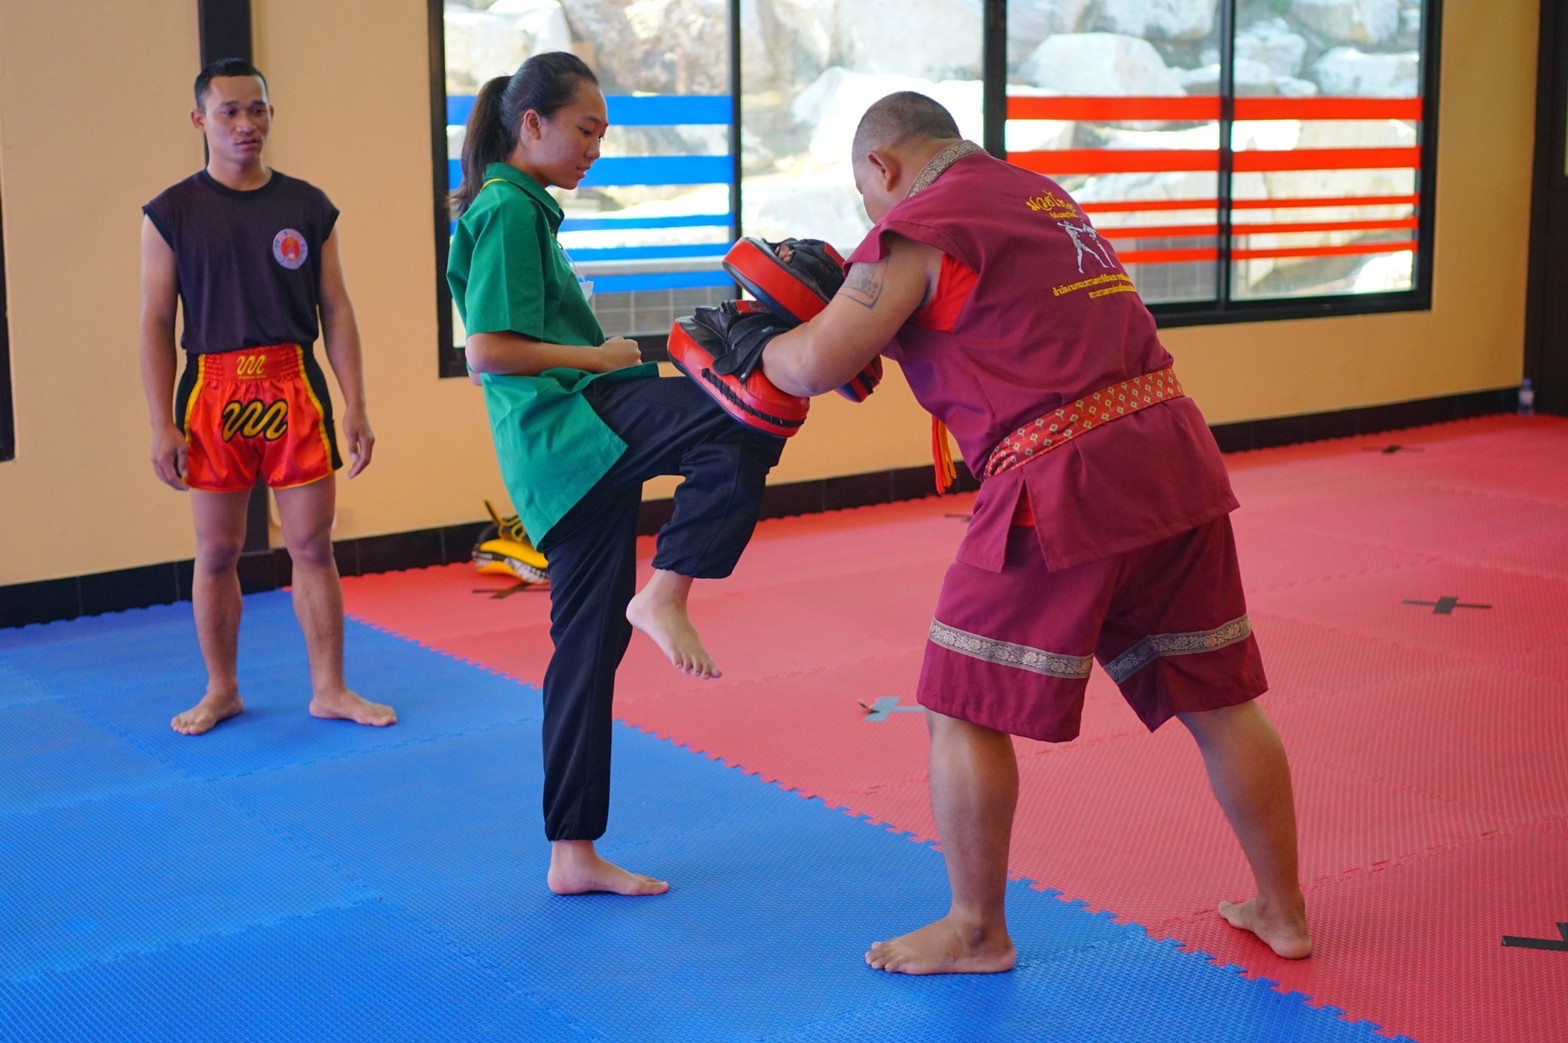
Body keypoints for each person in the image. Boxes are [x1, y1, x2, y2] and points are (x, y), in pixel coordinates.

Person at [753, 92, 1312, 973]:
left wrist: (755, 350)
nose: (870, 212)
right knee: (1219, 699)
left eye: (866, 194)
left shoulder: (918, 225)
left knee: (959, 706)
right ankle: (1283, 912)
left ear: (883, 168)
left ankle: (977, 932)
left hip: (1062, 479)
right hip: (1174, 456)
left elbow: (815, 363)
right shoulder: (1039, 195)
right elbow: (1005, 325)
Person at [446, 52, 785, 896]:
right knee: (739, 413)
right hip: (573, 431)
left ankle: (572, 852)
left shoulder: (524, 209)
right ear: (533, 124)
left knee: (587, 651)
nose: (596, 149)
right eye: (586, 130)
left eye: (603, 134)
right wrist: (600, 356)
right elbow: (487, 350)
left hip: (562, 462)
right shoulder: (508, 208)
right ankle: (668, 592)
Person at [139, 59, 395, 737]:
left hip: (293, 384)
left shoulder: (308, 206)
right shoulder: (170, 213)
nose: (245, 124)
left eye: (257, 109)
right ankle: (221, 689)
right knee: (217, 549)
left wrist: (356, 403)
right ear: (200, 120)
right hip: (211, 391)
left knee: (312, 543)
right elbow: (156, 323)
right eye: (228, 112)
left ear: (271, 115)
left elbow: (336, 309)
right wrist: (162, 422)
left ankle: (330, 689)